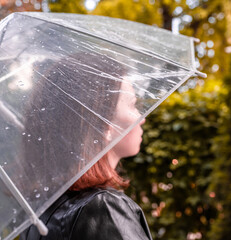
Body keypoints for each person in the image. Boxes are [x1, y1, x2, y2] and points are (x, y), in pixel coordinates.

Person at [19, 52, 152, 240]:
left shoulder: (39, 213)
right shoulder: (103, 208)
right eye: (133, 105)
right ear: (103, 125)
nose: (142, 118)